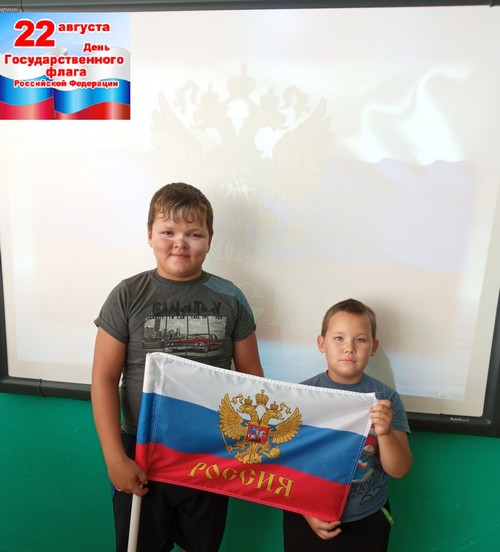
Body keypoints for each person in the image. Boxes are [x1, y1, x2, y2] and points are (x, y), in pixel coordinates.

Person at [91, 182, 264, 552]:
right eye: (168, 232)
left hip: (210, 452)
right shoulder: (127, 295)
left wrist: (246, 446)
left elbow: (251, 377)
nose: (180, 243)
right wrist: (114, 459)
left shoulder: (231, 297)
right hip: (140, 454)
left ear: (210, 240)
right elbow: (104, 379)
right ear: (149, 235)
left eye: (194, 234)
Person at [283, 298, 412, 552]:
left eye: (360, 340)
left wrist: (385, 433)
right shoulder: (299, 396)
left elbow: (400, 470)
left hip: (367, 520)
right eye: (339, 338)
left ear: (373, 347)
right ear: (322, 343)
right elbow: (287, 466)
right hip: (306, 518)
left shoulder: (386, 399)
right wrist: (306, 512)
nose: (349, 348)